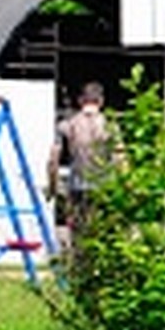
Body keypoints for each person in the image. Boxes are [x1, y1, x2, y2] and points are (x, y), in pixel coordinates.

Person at [52, 81, 112, 241]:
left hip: (77, 182)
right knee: (101, 227)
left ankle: (77, 260)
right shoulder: (110, 126)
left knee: (77, 226)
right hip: (103, 183)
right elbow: (120, 156)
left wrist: (53, 184)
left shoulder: (68, 125)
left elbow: (54, 156)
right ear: (101, 101)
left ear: (80, 101)